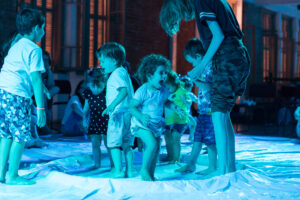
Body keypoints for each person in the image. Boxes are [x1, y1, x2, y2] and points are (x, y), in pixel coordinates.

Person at [160, 0, 251, 176]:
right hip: (237, 54)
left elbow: (218, 36)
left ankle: (223, 170)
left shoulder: (202, 1)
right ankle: (229, 168)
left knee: (218, 114)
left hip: (227, 56)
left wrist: (200, 66)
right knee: (223, 115)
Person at [0, 8, 46, 184]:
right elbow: (35, 78)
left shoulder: (16, 45)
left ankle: (1, 173)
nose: (43, 32)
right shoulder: (34, 49)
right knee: (20, 136)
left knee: (5, 135)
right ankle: (12, 175)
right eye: (42, 28)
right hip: (17, 95)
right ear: (35, 28)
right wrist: (41, 108)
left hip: (2, 91)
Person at [176, 38, 217, 175]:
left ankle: (212, 166)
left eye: (193, 61)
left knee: (210, 140)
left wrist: (194, 79)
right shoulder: (204, 68)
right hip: (204, 111)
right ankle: (191, 164)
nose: (193, 65)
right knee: (198, 138)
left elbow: (210, 86)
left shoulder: (209, 67)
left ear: (199, 56)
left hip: (210, 110)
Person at [130, 54, 171, 181]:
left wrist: (175, 108)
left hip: (155, 125)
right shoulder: (142, 91)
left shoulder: (163, 90)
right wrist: (141, 116)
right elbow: (132, 107)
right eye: (161, 73)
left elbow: (166, 102)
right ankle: (144, 171)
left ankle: (151, 173)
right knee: (152, 144)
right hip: (141, 124)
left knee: (157, 147)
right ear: (149, 75)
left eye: (165, 72)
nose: (164, 76)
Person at [96, 42, 135, 178]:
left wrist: (111, 106)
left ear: (113, 60)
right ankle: (129, 170)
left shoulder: (116, 74)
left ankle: (118, 170)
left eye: (103, 61)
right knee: (126, 145)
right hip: (128, 114)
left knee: (113, 144)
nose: (101, 64)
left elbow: (123, 92)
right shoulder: (124, 72)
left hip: (118, 114)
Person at [82, 67, 112, 169]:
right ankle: (97, 163)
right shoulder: (88, 92)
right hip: (94, 120)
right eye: (92, 85)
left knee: (109, 144)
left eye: (98, 86)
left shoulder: (107, 91)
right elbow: (86, 108)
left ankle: (114, 164)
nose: (95, 89)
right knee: (95, 144)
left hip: (106, 120)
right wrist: (84, 119)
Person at [164, 71, 191, 164]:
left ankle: (176, 158)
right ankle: (170, 156)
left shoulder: (181, 90)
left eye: (168, 87)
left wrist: (186, 101)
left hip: (180, 120)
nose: (168, 89)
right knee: (168, 138)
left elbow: (189, 101)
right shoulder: (168, 91)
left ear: (173, 83)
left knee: (175, 138)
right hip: (170, 119)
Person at [180, 76, 197, 141]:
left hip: (185, 113)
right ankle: (190, 137)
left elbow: (196, 100)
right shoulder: (184, 94)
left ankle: (190, 137)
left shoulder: (189, 94)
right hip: (183, 113)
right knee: (185, 126)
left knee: (191, 124)